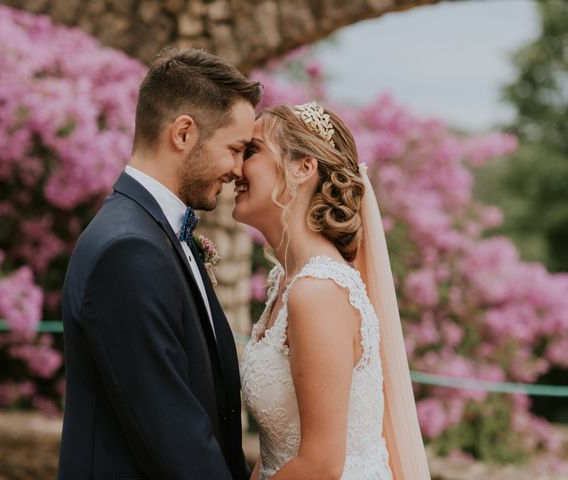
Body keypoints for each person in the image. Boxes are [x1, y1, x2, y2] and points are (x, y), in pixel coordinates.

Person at [58, 47, 262, 479]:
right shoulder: (128, 250)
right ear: (183, 133)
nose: (239, 169)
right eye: (235, 148)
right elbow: (173, 438)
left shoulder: (154, 234)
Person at [235, 102, 431, 479]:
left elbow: (321, 464)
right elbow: (279, 447)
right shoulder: (286, 283)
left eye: (252, 151)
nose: (237, 168)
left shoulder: (318, 292)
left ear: (303, 168)